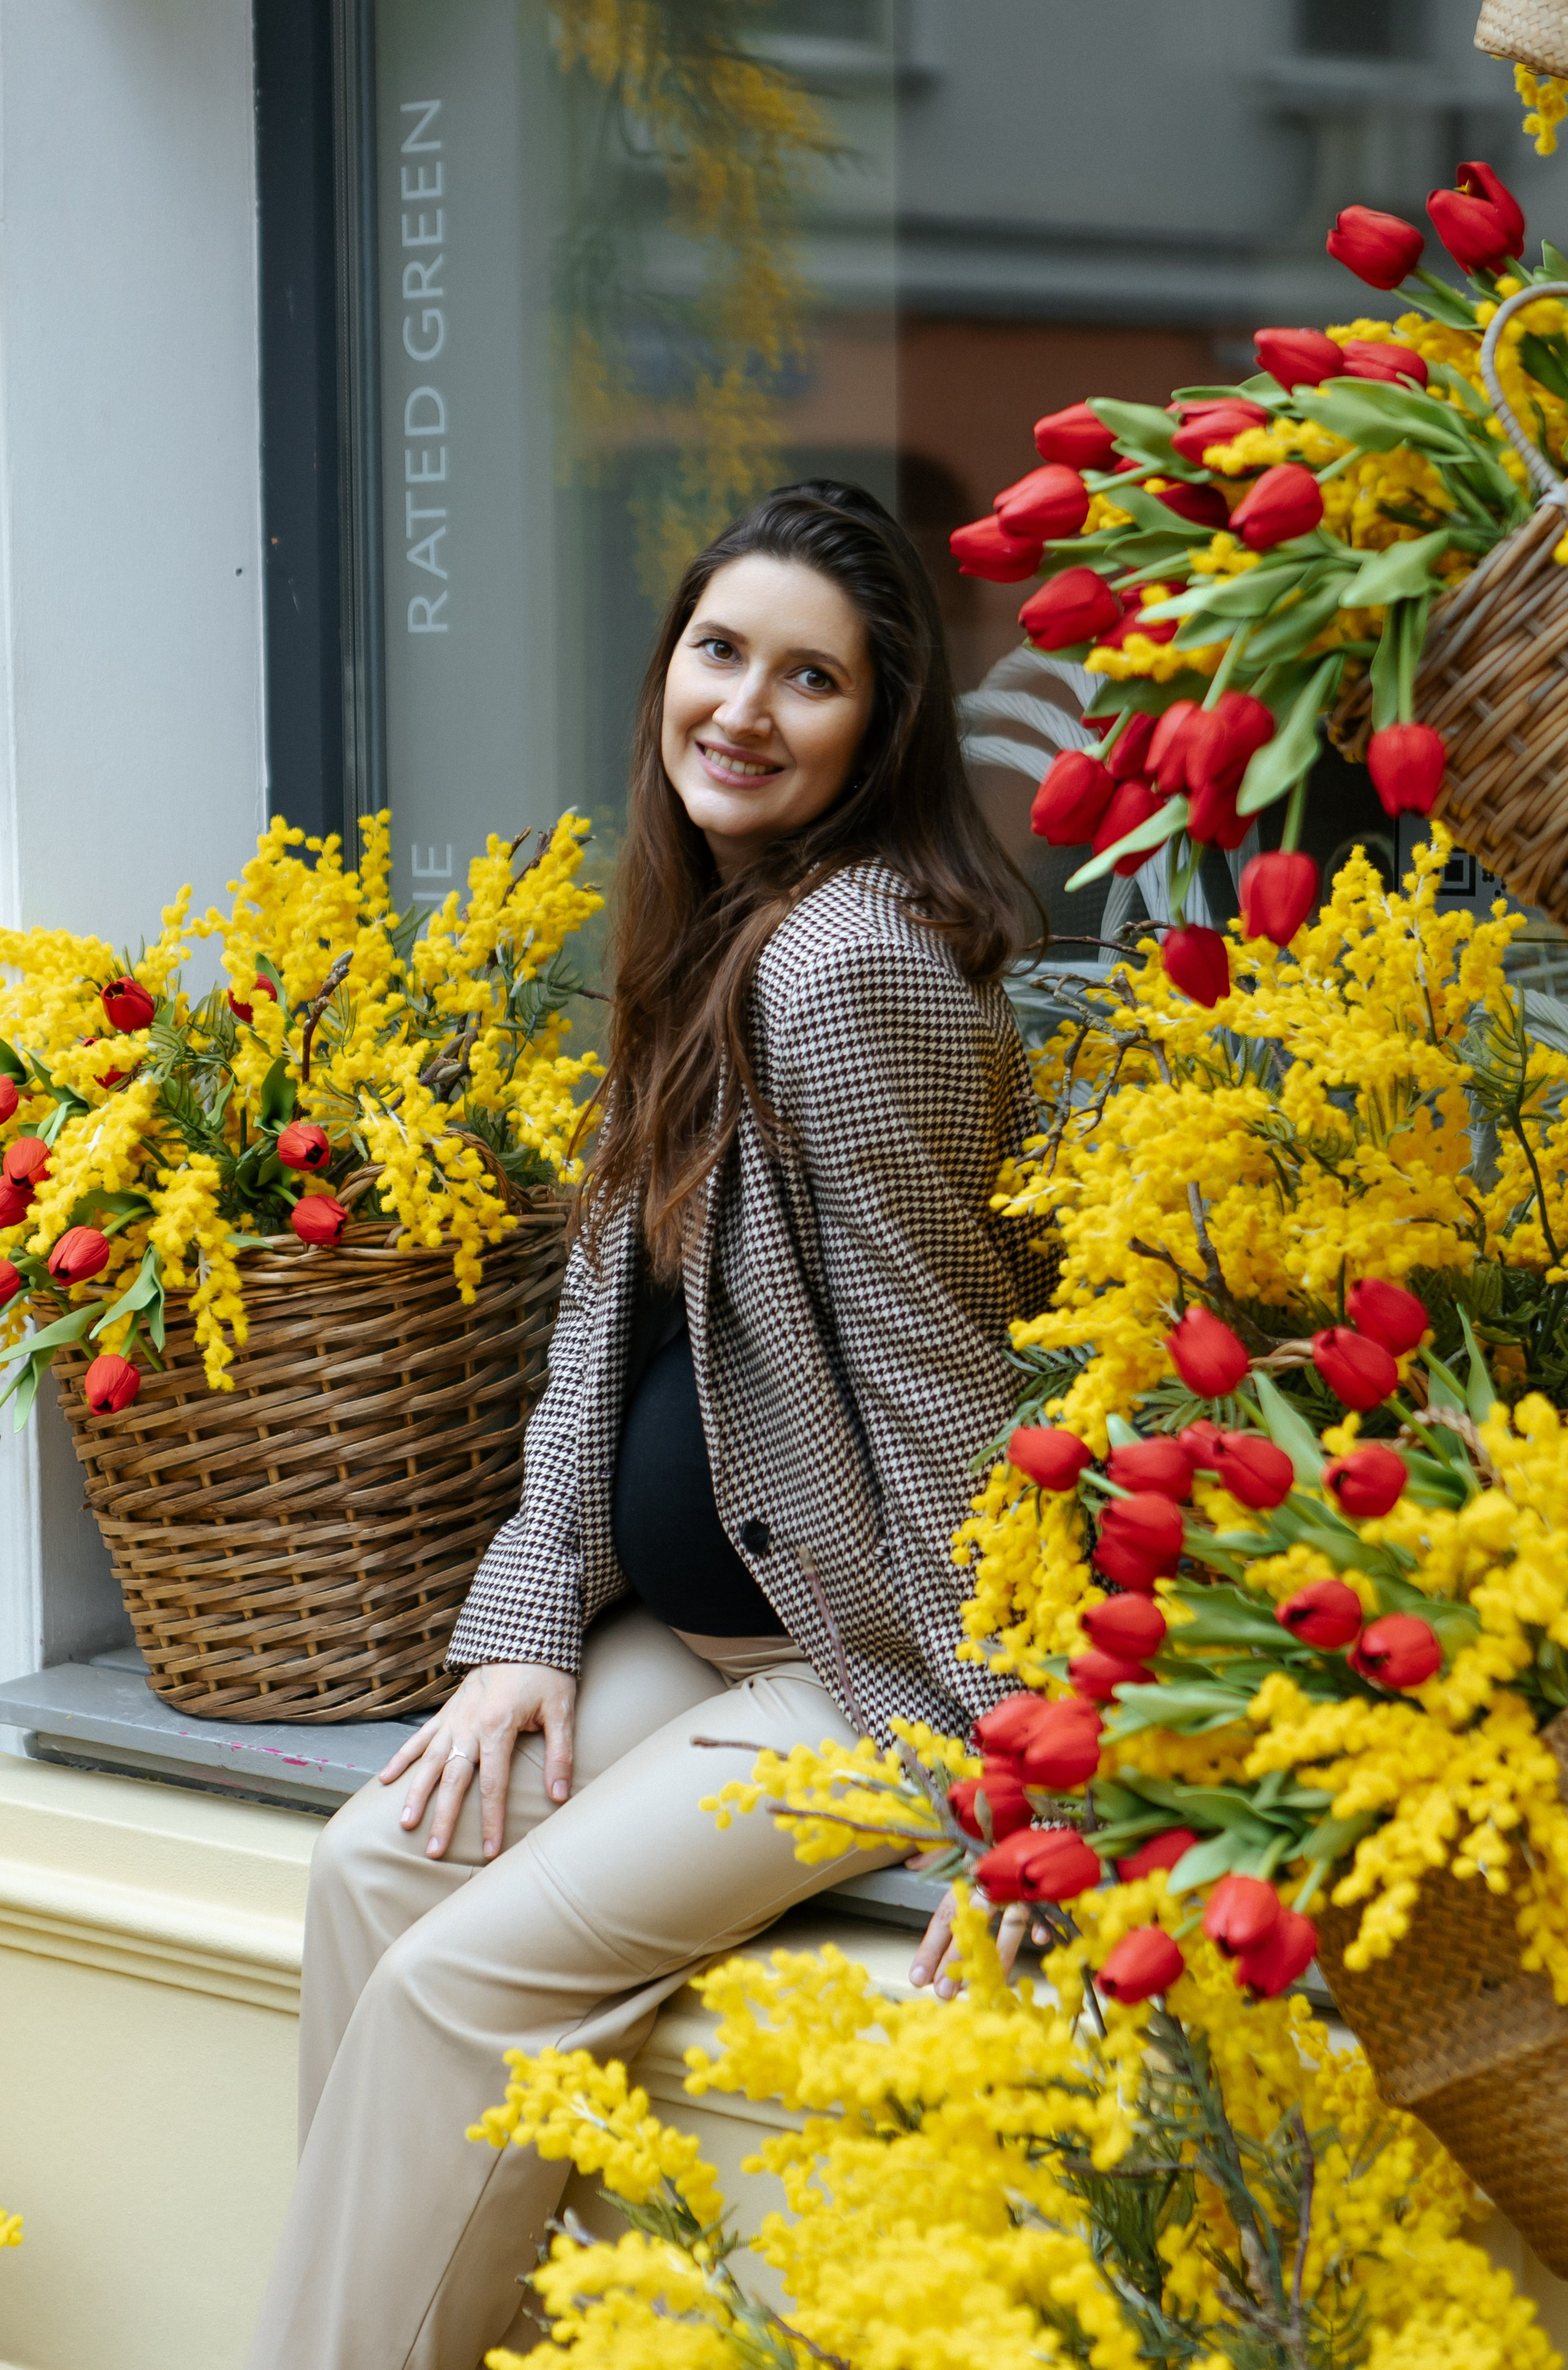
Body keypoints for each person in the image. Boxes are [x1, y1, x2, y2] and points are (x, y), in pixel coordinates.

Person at [246, 479, 1051, 2370]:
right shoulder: (713, 925)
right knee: (373, 1861)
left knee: (457, 1984)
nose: (743, 709)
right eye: (718, 651)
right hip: (706, 1637)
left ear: (887, 726)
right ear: (666, 665)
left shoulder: (847, 970)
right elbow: (607, 1325)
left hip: (867, 1676)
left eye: (811, 679)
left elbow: (953, 1385)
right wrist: (530, 1615)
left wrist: (1036, 1767)